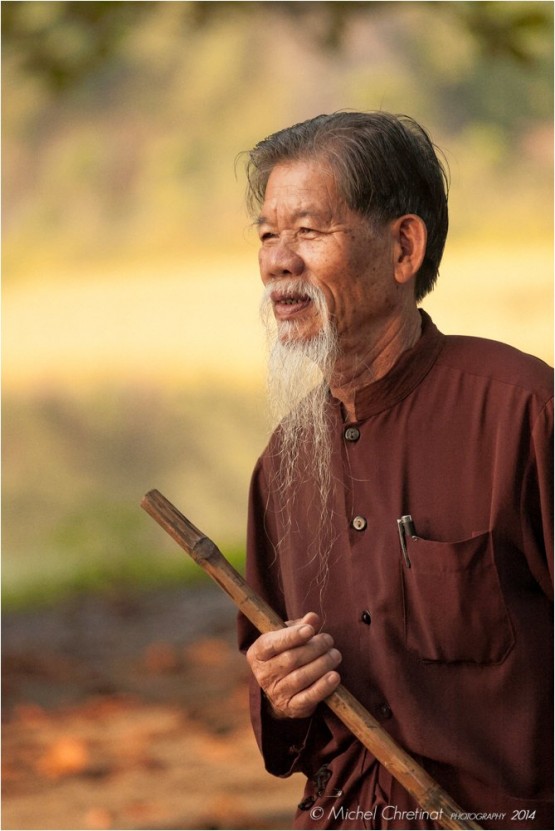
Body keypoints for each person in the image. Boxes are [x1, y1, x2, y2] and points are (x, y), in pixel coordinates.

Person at [237, 111, 553, 830]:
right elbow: (283, 726)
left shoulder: (524, 412)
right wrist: (279, 692)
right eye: (267, 234)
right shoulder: (283, 465)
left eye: (308, 230)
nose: (279, 262)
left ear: (403, 246)